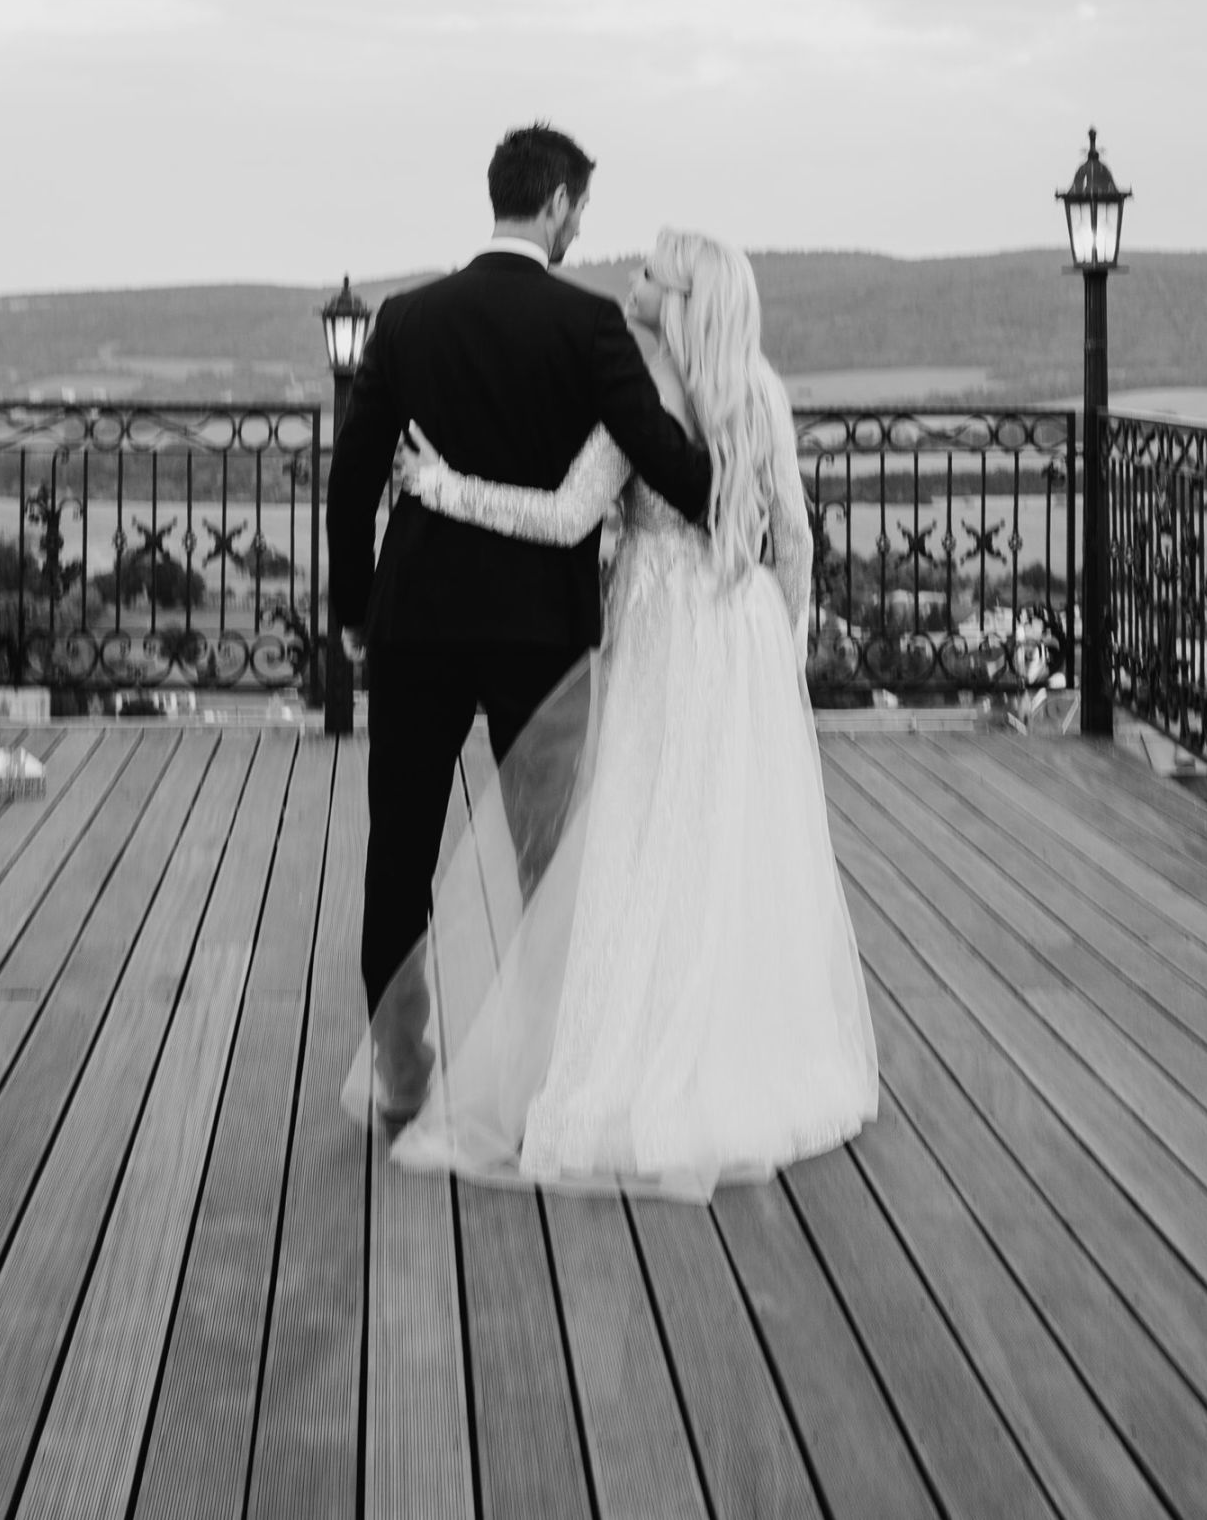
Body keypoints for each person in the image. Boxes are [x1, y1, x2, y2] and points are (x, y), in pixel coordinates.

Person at [348, 227, 879, 1197]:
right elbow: (795, 539)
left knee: (633, 845)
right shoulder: (761, 392)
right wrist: (783, 654)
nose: (629, 278)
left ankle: (577, 1060)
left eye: (647, 272)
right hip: (741, 638)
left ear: (678, 301)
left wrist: (437, 484)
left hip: (659, 638)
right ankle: (731, 1051)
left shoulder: (640, 401)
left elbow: (564, 517)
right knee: (723, 851)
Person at [326, 125, 714, 1121]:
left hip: (416, 621)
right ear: (554, 205)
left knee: (399, 851)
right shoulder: (589, 326)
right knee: (551, 856)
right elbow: (658, 453)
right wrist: (734, 489)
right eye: (579, 210)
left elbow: (354, 476)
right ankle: (547, 1064)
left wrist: (354, 608)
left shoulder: (408, 319)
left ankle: (402, 1070)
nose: (579, 228)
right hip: (541, 630)